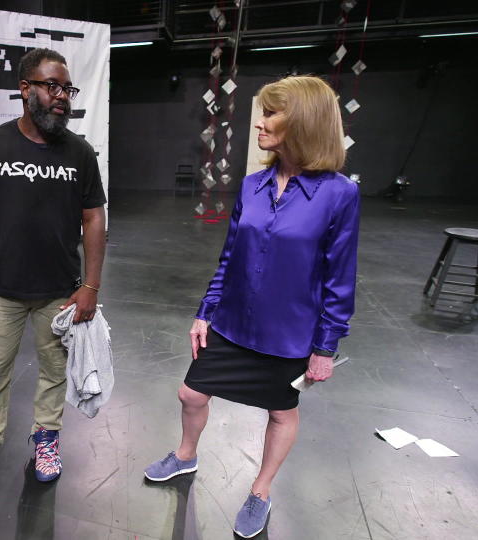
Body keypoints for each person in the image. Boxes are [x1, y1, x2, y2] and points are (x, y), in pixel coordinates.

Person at [143, 75, 359, 538]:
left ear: (302, 123)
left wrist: (325, 348)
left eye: (271, 114)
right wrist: (206, 311)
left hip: (290, 332)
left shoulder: (340, 194)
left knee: (280, 412)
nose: (259, 123)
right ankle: (185, 455)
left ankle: (260, 491)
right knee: (191, 393)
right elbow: (229, 256)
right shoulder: (252, 185)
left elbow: (340, 278)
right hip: (232, 321)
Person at [0, 48, 107, 491]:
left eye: (67, 89)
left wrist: (90, 285)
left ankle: (46, 438)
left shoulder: (80, 152)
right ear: (25, 89)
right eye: (52, 86)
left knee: (55, 372)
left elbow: (94, 217)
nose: (62, 97)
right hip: (2, 289)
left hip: (59, 291)